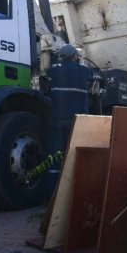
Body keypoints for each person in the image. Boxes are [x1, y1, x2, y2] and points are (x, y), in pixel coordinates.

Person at [45, 44, 93, 195]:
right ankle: (75, 193)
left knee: (55, 156)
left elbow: (46, 75)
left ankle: (52, 195)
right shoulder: (84, 71)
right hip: (77, 122)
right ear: (74, 56)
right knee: (75, 155)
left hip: (57, 120)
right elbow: (93, 76)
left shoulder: (54, 70)